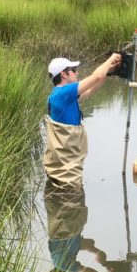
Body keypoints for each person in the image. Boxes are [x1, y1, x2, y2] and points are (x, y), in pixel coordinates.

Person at [43, 53, 121, 188]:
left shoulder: (61, 95)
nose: (77, 73)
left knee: (65, 191)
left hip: (65, 159)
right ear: (64, 74)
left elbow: (90, 90)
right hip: (67, 164)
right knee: (70, 193)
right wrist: (111, 58)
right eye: (73, 70)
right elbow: (96, 76)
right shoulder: (64, 93)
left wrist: (107, 72)